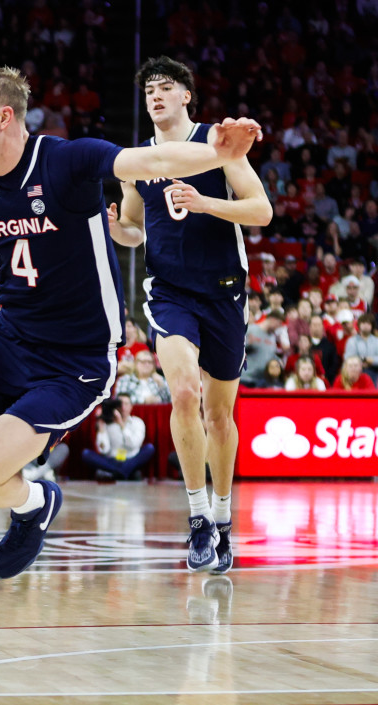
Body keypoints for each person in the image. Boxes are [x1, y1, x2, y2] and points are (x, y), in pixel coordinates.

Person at [0, 66, 261, 644]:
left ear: (3, 117)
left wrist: (216, 147)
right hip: (9, 338)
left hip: (77, 357)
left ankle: (35, 501)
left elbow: (151, 162)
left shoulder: (68, 160)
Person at [108, 56, 271, 575]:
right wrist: (119, 230)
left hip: (223, 290)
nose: (155, 95)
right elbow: (135, 229)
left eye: (166, 87)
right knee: (183, 392)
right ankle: (198, 515)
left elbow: (261, 211)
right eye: (149, 89)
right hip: (169, 290)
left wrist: (206, 204)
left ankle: (224, 519)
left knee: (220, 416)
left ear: (185, 96)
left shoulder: (216, 145)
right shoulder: (136, 160)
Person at [80, 394, 156, 480]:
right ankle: (124, 472)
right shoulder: (108, 422)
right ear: (115, 406)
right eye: (120, 404)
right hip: (112, 460)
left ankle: (116, 473)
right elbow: (104, 450)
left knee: (149, 448)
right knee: (86, 454)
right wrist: (101, 428)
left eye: (126, 404)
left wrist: (121, 425)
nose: (123, 407)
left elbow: (133, 444)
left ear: (131, 406)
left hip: (130, 459)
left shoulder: (137, 422)